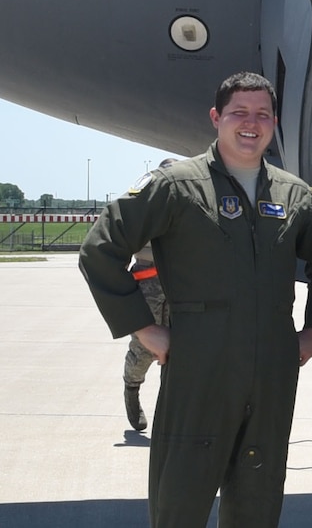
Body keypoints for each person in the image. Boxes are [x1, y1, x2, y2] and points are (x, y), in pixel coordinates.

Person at [77, 72, 312, 528]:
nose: (250, 124)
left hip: (272, 373)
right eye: (239, 112)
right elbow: (100, 250)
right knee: (180, 499)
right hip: (197, 365)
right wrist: (145, 329)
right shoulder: (176, 185)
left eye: (262, 115)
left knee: (258, 500)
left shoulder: (296, 197)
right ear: (217, 117)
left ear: (274, 123)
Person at [122, 157, 179, 434]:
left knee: (182, 349)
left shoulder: (188, 202)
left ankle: (174, 411)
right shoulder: (141, 204)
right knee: (145, 349)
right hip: (149, 283)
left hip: (181, 286)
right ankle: (131, 390)